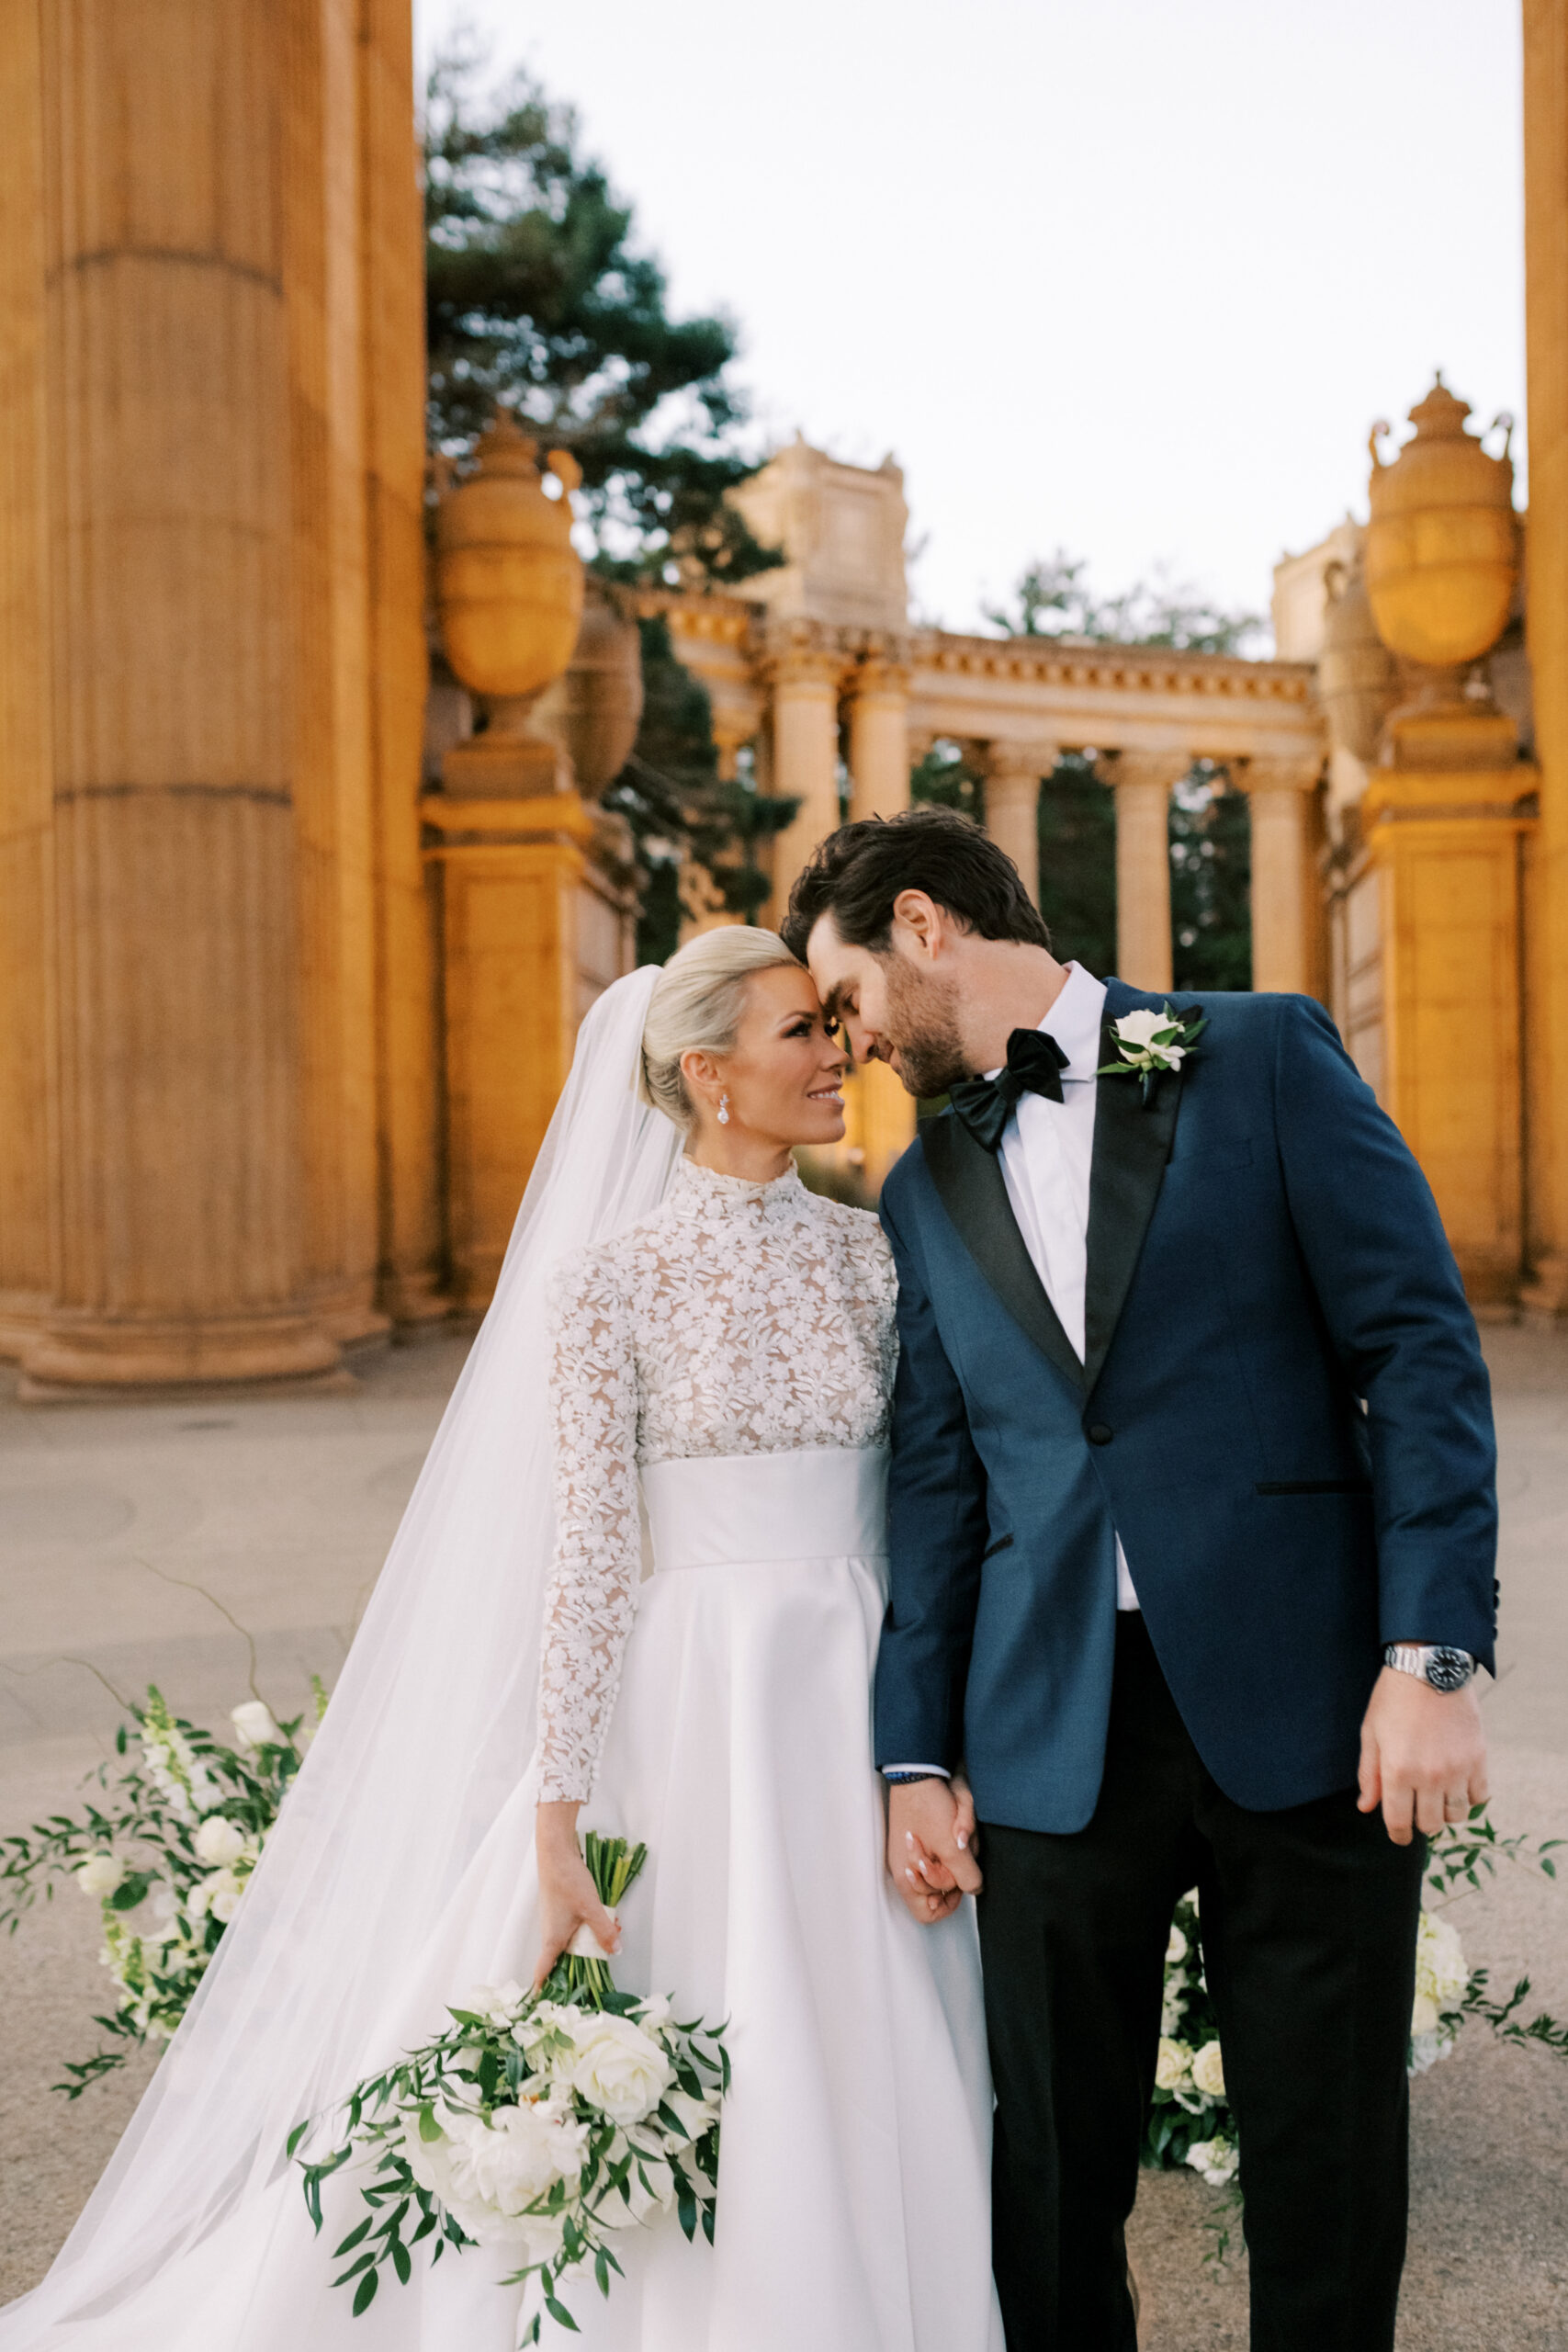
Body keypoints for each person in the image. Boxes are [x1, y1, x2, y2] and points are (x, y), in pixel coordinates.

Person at [0, 932, 1001, 2352]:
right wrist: (555, 1818)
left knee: (866, 2019)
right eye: (799, 1031)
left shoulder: (875, 1252)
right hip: (698, 1700)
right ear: (709, 1073)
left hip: (861, 1685)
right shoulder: (610, 1282)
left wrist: (934, 1737)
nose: (835, 1052)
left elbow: (932, 1497)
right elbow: (593, 1558)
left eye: (829, 1028)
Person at [783, 805, 1498, 2352]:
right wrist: (914, 1752)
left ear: (922, 924)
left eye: (845, 1002)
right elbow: (937, 1482)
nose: (851, 1050)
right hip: (1049, 1735)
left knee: (1329, 2161)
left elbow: (1418, 1355)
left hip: (1311, 1708)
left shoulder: (1261, 1056)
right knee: (1045, 2179)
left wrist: (1430, 1655)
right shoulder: (920, 1188)